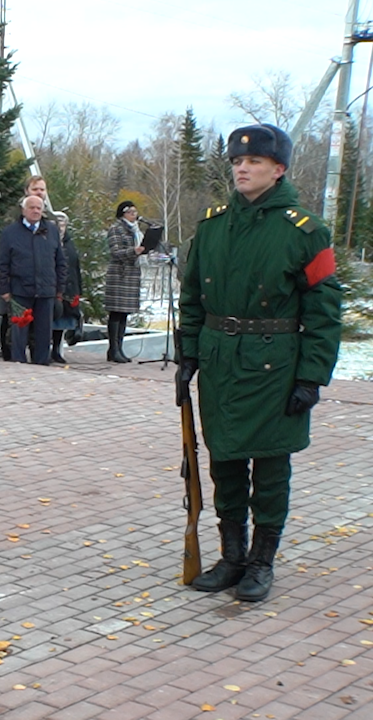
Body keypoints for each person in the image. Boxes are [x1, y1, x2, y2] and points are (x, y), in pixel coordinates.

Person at [177, 123, 342, 602]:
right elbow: (192, 297)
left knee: (270, 467)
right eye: (236, 162)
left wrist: (311, 377)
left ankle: (261, 563)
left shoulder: (305, 232)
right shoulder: (212, 226)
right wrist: (188, 353)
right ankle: (232, 557)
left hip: (275, 366)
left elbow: (325, 313)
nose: (242, 168)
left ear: (279, 169)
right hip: (220, 362)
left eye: (252, 162)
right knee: (224, 460)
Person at [0, 195, 66, 365]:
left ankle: (42, 363)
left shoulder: (51, 231)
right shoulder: (10, 233)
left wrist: (60, 288)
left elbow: (60, 261)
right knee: (19, 331)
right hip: (20, 290)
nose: (35, 211)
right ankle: (18, 362)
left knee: (44, 331)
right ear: (24, 210)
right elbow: (3, 263)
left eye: (39, 208)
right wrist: (4, 289)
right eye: (32, 207)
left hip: (46, 290)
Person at [104, 200, 146, 362]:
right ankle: (113, 350)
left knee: (124, 314)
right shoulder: (116, 228)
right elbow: (115, 252)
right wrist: (134, 251)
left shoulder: (135, 230)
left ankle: (119, 348)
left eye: (136, 212)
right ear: (123, 213)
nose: (135, 215)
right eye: (132, 212)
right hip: (119, 275)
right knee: (116, 312)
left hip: (131, 274)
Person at [50, 211, 83, 363]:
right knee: (50, 319)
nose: (61, 228)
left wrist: (78, 290)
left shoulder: (69, 243)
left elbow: (75, 267)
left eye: (63, 224)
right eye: (58, 224)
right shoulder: (49, 240)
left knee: (63, 321)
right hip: (53, 286)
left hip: (69, 288)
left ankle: (56, 350)